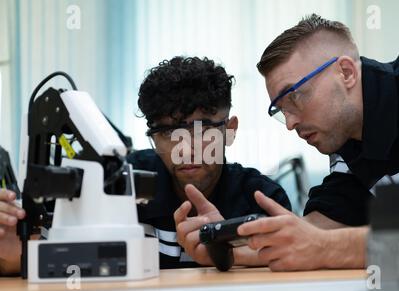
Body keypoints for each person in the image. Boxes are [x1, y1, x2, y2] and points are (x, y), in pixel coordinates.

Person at [176, 14, 399, 271]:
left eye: (294, 97)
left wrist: (323, 248)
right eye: (281, 110)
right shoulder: (348, 139)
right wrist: (230, 248)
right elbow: (319, 229)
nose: (291, 123)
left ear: (346, 73)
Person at [0, 57, 291, 275]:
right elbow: (33, 255)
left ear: (229, 130)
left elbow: (289, 266)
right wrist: (10, 244)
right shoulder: (113, 182)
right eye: (167, 132)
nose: (184, 148)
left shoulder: (262, 200)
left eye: (201, 129)